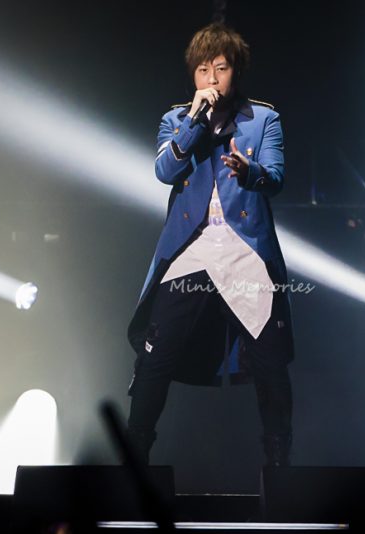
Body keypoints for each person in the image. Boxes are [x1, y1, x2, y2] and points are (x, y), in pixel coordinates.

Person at [125, 22, 294, 467]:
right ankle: (135, 460)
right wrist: (194, 123)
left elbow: (276, 177)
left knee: (270, 363)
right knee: (155, 357)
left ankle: (279, 464)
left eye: (221, 68)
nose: (212, 78)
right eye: (203, 70)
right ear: (193, 76)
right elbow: (164, 172)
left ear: (236, 71)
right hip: (192, 250)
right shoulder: (176, 119)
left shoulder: (263, 119)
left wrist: (250, 171)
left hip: (245, 249)